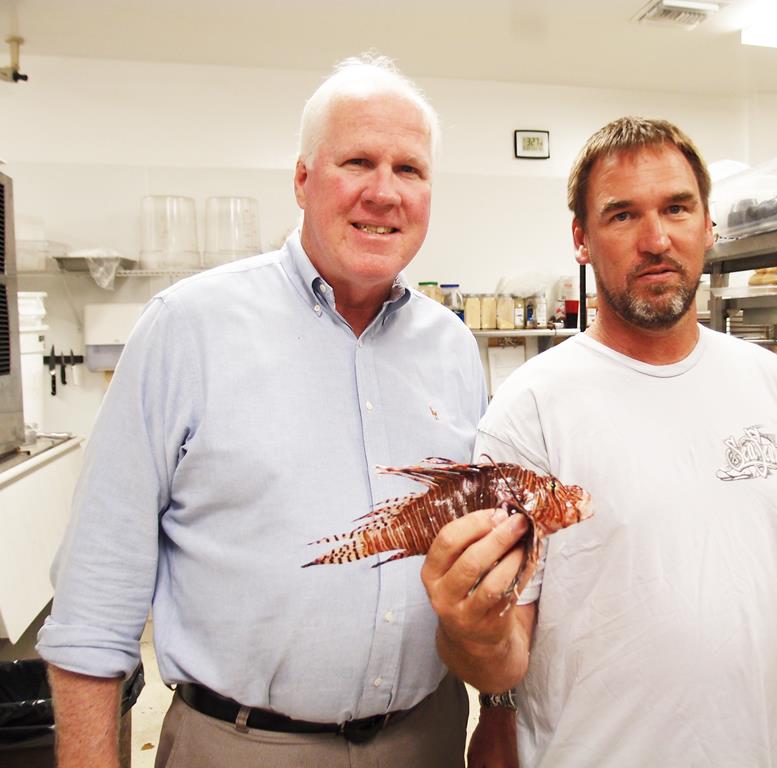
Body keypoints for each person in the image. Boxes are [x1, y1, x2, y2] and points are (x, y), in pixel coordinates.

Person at [36, 54, 487, 768]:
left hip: (426, 739)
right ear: (303, 180)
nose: (384, 192)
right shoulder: (187, 327)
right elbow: (95, 603)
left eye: (410, 170)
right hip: (241, 745)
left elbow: (481, 563)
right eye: (358, 162)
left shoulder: (455, 349)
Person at [422, 117, 777, 767]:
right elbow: (504, 655)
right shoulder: (529, 414)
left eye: (677, 208)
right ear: (581, 239)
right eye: (623, 215)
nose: (657, 239)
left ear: (708, 226)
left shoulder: (774, 387)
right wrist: (467, 634)